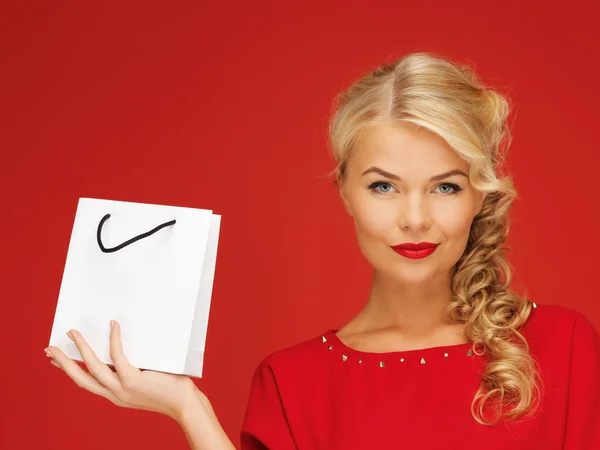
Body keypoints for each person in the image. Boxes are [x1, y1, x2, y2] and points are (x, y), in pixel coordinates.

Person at [44, 52, 600, 450]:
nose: (414, 217)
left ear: (481, 194)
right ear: (346, 193)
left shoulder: (565, 346)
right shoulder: (293, 383)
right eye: (383, 185)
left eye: (446, 186)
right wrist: (187, 408)